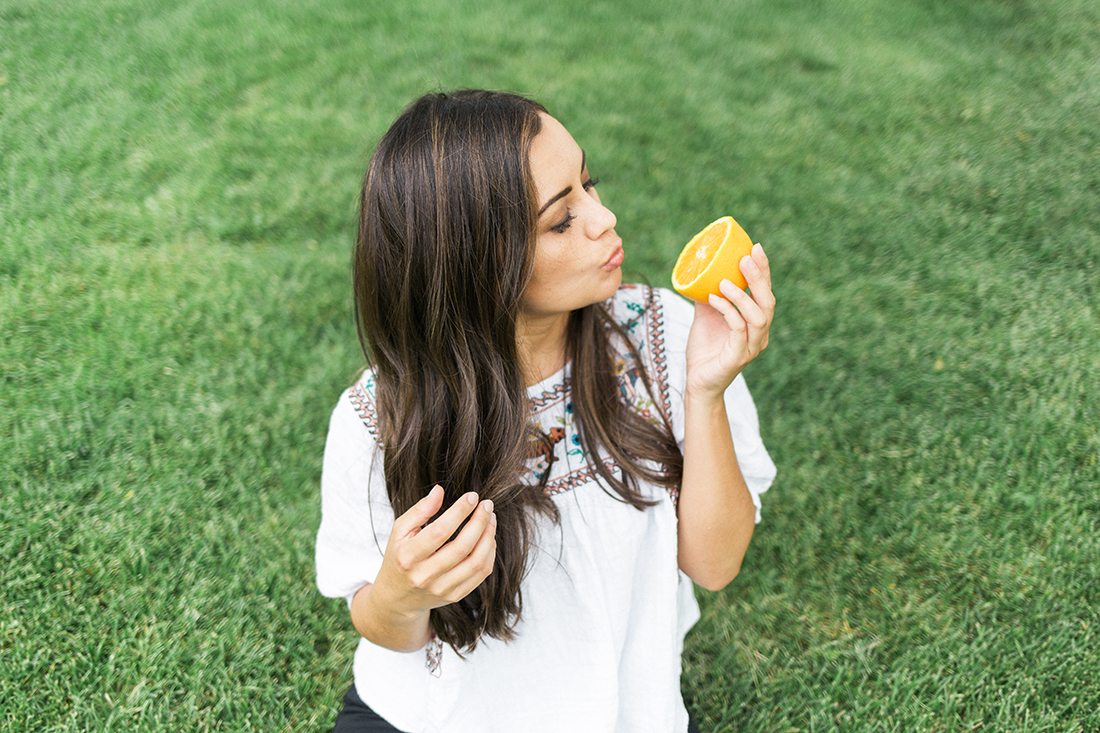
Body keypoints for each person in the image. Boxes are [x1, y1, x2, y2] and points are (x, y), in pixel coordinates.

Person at [315, 89, 776, 733]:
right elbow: (388, 628)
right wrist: (400, 592)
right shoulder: (379, 420)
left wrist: (706, 392)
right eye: (561, 220)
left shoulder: (666, 337)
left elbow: (715, 564)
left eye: (589, 184)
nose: (605, 218)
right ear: (476, 265)